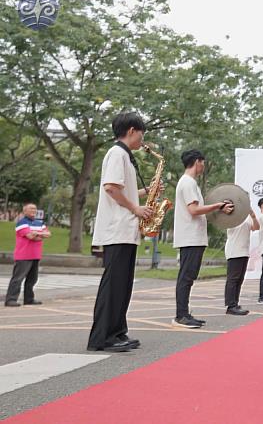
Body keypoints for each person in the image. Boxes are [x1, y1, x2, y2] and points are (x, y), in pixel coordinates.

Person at [87, 112, 153, 352]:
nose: (142, 139)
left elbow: (121, 189)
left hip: (125, 230)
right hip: (117, 229)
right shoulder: (117, 154)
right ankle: (103, 338)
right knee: (114, 285)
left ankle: (116, 331)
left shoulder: (123, 155)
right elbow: (112, 189)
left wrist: (146, 193)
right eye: (142, 133)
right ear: (133, 130)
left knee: (122, 285)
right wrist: (136, 207)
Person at [173, 149, 234, 329]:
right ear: (197, 162)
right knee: (186, 277)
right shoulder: (188, 183)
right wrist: (218, 206)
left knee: (188, 277)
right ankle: (180, 315)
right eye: (203, 162)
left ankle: (184, 313)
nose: (203, 166)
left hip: (194, 237)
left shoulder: (190, 183)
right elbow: (193, 210)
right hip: (190, 237)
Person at [5, 203, 50, 307]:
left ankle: (29, 299)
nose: (33, 210)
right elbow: (30, 236)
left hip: (36, 255)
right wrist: (39, 235)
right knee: (18, 278)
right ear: (25, 211)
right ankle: (11, 299)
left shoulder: (39, 222)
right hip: (23, 255)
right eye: (31, 209)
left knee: (32, 279)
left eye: (35, 209)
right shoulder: (22, 223)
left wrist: (37, 234)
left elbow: (48, 234)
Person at [224, 209, 259, 316]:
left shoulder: (247, 217)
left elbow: (256, 228)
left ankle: (235, 303)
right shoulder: (231, 216)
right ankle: (230, 305)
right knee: (233, 279)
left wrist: (253, 216)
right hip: (234, 251)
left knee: (239, 279)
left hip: (244, 251)